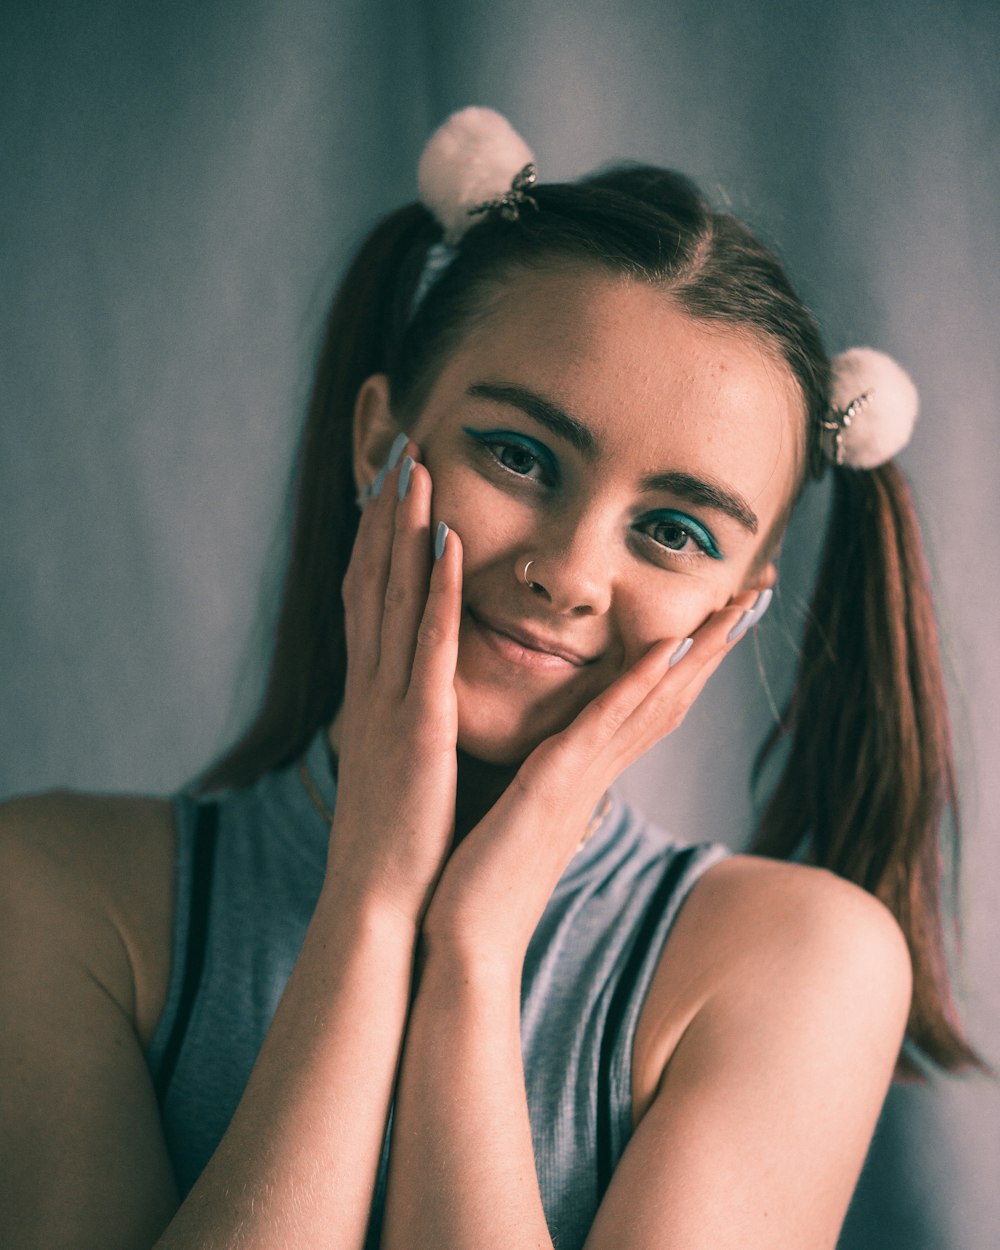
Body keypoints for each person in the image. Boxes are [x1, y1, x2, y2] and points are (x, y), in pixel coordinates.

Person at [0, 107, 983, 1249]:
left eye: (672, 529)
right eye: (518, 456)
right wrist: (371, 899)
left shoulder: (800, 962)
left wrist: (476, 941)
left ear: (739, 596)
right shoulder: (55, 893)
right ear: (380, 441)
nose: (567, 572)